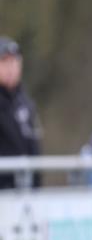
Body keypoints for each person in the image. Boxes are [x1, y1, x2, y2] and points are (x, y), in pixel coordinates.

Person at [0, 37, 42, 189]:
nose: (11, 67)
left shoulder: (25, 102)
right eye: (5, 61)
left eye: (15, 61)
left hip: (26, 191)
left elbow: (34, 147)